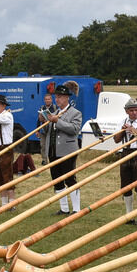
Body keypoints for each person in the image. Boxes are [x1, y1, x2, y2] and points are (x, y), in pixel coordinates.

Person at [46, 84, 83, 214]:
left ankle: (76, 209)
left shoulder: (75, 113)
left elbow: (74, 129)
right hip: (53, 150)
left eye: (60, 97)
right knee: (57, 179)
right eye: (56, 97)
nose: (57, 99)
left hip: (68, 150)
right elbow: (49, 131)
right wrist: (44, 121)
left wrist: (58, 122)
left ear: (67, 98)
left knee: (70, 179)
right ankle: (64, 208)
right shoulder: (54, 112)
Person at [37, 93, 53, 165]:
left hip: (51, 130)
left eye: (49, 99)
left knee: (50, 146)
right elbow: (38, 120)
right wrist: (37, 130)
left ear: (51, 100)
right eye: (46, 99)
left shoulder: (55, 108)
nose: (47, 101)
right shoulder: (42, 108)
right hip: (43, 130)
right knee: (43, 145)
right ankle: (44, 160)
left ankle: (51, 160)